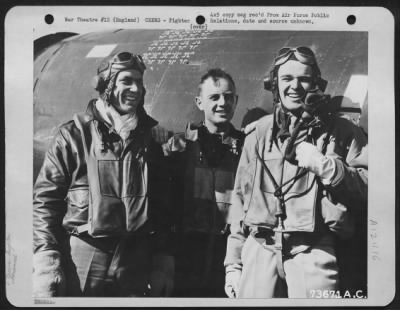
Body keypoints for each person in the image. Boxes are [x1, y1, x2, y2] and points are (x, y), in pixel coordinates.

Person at [224, 46, 368, 298]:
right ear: (274, 84)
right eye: (287, 79)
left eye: (303, 79)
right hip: (260, 248)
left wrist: (330, 169)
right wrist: (233, 262)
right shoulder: (258, 133)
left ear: (316, 84)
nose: (295, 86)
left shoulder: (342, 132)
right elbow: (240, 199)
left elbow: (371, 187)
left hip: (313, 249)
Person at [33, 51, 175, 297]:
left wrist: (162, 258)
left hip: (135, 258)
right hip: (85, 254)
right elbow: (46, 200)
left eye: (139, 82)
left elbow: (163, 205)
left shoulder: (150, 139)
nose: (135, 89)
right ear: (106, 86)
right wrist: (47, 256)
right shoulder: (74, 135)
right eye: (126, 81)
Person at [163, 69, 245, 297]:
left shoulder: (246, 149)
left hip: (227, 253)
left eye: (229, 97)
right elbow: (165, 206)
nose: (223, 103)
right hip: (186, 254)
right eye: (214, 97)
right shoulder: (179, 148)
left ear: (236, 101)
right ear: (199, 102)